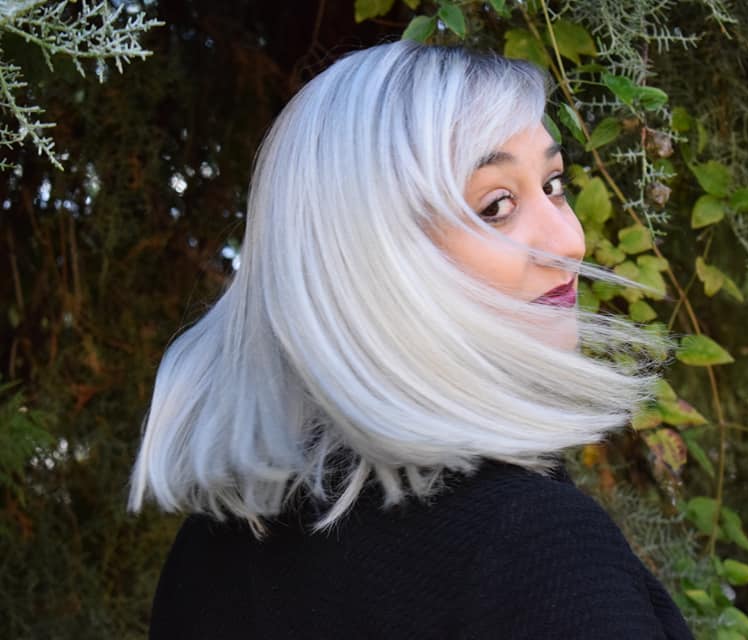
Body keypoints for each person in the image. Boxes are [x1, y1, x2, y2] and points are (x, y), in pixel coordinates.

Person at [128, 39, 694, 639]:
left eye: (553, 185)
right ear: (370, 258)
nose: (569, 242)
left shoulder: (207, 553)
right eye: (496, 205)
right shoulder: (536, 549)